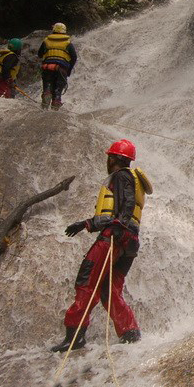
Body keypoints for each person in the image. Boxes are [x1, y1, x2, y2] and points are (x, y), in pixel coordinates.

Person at [51, 139, 150, 351]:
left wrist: (110, 225)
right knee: (108, 288)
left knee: (88, 279)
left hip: (114, 237)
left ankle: (75, 336)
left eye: (109, 156)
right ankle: (130, 332)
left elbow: (126, 204)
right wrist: (90, 224)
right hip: (130, 242)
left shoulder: (121, 176)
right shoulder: (132, 178)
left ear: (115, 158)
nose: (108, 160)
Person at [38, 23, 77, 110]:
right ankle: (56, 103)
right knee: (58, 91)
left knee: (47, 86)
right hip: (61, 69)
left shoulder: (46, 41)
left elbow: (40, 54)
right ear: (64, 31)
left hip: (47, 67)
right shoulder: (68, 43)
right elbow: (74, 57)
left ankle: (47, 93)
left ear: (54, 30)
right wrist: (69, 70)